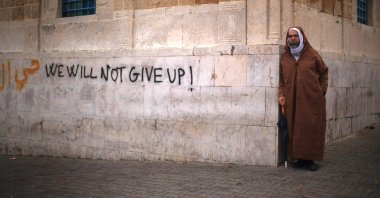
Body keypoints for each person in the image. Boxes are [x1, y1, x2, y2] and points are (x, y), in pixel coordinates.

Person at [278, 27, 328, 171]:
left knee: (310, 128)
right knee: (294, 128)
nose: (292, 39)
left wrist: (321, 91)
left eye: (295, 36)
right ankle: (298, 159)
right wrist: (281, 94)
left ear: (301, 37)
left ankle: (309, 160)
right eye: (290, 36)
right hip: (291, 100)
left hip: (311, 100)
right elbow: (281, 79)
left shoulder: (312, 55)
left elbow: (324, 72)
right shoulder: (285, 58)